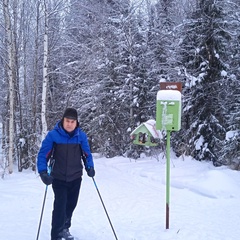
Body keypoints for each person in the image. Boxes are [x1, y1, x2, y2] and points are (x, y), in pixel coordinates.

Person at [37, 108, 95, 240]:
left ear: (76, 123)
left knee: (71, 205)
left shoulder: (81, 136)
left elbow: (87, 154)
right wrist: (43, 172)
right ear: (63, 121)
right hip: (58, 178)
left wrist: (90, 167)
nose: (69, 124)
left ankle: (65, 228)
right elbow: (43, 155)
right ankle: (56, 234)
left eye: (72, 121)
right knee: (60, 206)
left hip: (75, 177)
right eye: (67, 121)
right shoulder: (53, 135)